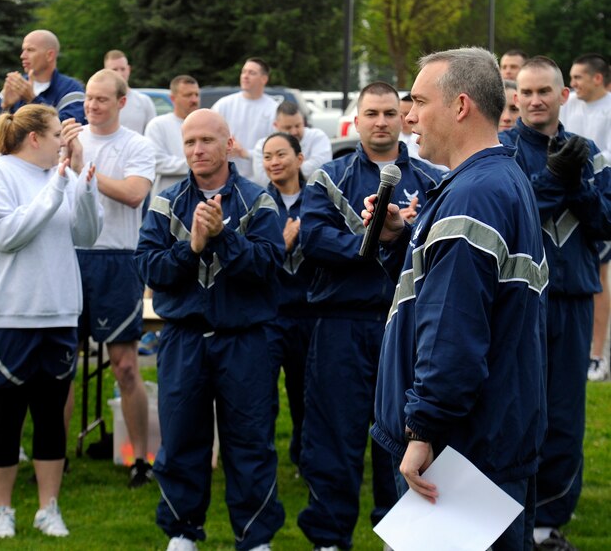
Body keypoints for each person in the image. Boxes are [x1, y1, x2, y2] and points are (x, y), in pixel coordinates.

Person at [369, 47, 548, 551]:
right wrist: (395, 239)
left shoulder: (474, 194)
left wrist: (422, 428)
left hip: (461, 450)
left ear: (461, 105)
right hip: (486, 439)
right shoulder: (495, 180)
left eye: (419, 102)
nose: (408, 117)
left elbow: (454, 327)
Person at [297, 82, 443, 550]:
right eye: (371, 113)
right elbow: (313, 239)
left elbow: (438, 250)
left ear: (402, 118)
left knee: (400, 436)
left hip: (403, 327)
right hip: (340, 322)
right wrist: (370, 244)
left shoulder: (430, 177)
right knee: (332, 434)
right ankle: (329, 537)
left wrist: (405, 232)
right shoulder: (328, 176)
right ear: (355, 120)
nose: (381, 121)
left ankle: (399, 534)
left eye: (389, 113)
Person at [135, 108, 285, 551]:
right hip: (183, 337)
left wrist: (223, 237)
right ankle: (182, 533)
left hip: (246, 340)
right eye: (189, 142)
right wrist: (193, 246)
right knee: (181, 440)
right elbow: (148, 267)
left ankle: (255, 537)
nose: (197, 150)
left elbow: (268, 265)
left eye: (206, 140)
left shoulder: (258, 200)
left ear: (228, 144)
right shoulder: (166, 202)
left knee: (252, 442)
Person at [0, 104, 102, 540]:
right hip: (7, 312)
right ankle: (1, 510)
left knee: (51, 417)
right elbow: (5, 235)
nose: (64, 144)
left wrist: (81, 179)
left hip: (59, 310)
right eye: (57, 137)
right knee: (7, 417)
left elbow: (86, 235)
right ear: (34, 139)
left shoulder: (62, 175)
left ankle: (49, 508)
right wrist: (56, 189)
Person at [500, 55, 611, 550]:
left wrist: (579, 188)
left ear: (564, 95)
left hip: (570, 298)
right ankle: (505, 510)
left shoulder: (591, 154)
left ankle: (547, 524)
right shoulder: (499, 151)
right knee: (512, 409)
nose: (535, 100)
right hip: (516, 301)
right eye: (526, 92)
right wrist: (553, 182)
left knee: (564, 414)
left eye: (545, 91)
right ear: (515, 97)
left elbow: (607, 224)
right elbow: (511, 213)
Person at [76, 69, 156, 488]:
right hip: (68, 257)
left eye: (102, 99)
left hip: (117, 259)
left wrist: (82, 170)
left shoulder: (137, 145)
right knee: (59, 364)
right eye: (89, 98)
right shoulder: (68, 138)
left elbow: (133, 193)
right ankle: (56, 452)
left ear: (122, 103)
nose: (92, 106)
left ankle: (140, 459)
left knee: (125, 365)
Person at [258, 132, 312, 470]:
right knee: (262, 396)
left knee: (305, 393)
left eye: (281, 154)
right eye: (267, 157)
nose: (274, 162)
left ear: (299, 159)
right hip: (269, 313)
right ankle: (261, 462)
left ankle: (304, 457)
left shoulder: (319, 200)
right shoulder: (258, 203)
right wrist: (283, 244)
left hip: (309, 313)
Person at [559, 54, 611, 382]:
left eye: (578, 77)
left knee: (599, 279)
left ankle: (596, 355)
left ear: (597, 78)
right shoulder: (569, 106)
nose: (573, 83)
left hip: (596, 201)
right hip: (564, 199)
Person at [0, 30, 85, 130]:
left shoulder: (72, 89)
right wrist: (5, 107)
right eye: (23, 50)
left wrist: (33, 100)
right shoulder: (16, 84)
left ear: (50, 55)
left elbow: (69, 128)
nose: (23, 56)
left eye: (30, 50)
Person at [212, 58, 277, 180]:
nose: (245, 76)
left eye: (252, 73)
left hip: (260, 180)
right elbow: (209, 133)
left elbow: (277, 147)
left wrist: (245, 153)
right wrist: (224, 146)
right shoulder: (224, 104)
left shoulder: (273, 109)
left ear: (264, 79)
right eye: (244, 72)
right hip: (226, 178)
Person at [251, 100, 332, 187]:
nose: (294, 132)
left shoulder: (318, 137)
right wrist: (302, 167)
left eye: (298, 126)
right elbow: (263, 180)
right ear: (276, 125)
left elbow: (321, 170)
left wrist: (281, 171)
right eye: (288, 127)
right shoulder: (262, 145)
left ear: (303, 122)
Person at [144, 74, 200, 196]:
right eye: (188, 95)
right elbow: (156, 162)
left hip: (200, 199)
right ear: (173, 98)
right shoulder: (157, 125)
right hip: (167, 201)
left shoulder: (205, 125)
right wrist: (197, 164)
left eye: (196, 95)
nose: (194, 100)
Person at [103, 49, 157, 135]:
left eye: (123, 69)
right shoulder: (99, 103)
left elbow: (153, 135)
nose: (120, 73)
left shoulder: (144, 101)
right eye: (115, 69)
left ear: (128, 69)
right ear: (106, 72)